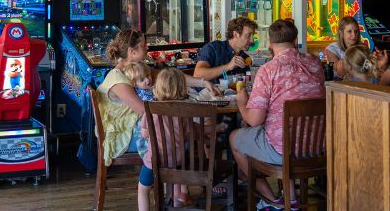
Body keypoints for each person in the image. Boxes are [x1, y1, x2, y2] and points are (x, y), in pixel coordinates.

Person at [96, 29, 217, 211]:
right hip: (122, 137)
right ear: (131, 51)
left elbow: (168, 76)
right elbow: (146, 111)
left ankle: (177, 193)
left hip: (138, 127)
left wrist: (202, 82)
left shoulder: (137, 70)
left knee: (178, 132)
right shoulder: (118, 80)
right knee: (178, 135)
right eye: (144, 46)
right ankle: (178, 193)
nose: (147, 48)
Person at [230, 19, 326, 211]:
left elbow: (254, 120)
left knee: (235, 138)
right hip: (317, 148)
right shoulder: (315, 65)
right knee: (282, 133)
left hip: (281, 151)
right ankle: (290, 198)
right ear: (296, 39)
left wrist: (242, 103)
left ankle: (273, 200)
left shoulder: (268, 70)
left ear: (270, 44)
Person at [139, 68, 192, 208]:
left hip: (154, 161)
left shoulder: (151, 108)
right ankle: (175, 204)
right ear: (182, 87)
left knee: (143, 189)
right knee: (175, 187)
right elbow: (188, 135)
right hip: (177, 161)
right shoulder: (184, 111)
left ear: (158, 87)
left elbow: (144, 134)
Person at [193, 17, 257, 81]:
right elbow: (197, 75)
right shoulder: (213, 48)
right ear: (235, 34)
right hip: (207, 90)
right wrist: (228, 66)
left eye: (253, 36)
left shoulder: (245, 57)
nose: (252, 40)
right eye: (248, 35)